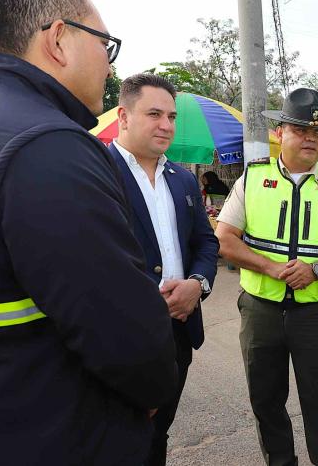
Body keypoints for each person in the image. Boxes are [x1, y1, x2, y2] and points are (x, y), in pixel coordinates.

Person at [0, 0, 178, 464]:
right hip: (46, 431)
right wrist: (154, 388)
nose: (109, 64)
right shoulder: (47, 144)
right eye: (105, 45)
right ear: (59, 39)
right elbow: (123, 331)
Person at [215, 87, 318, 466]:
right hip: (261, 311)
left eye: (317, 132)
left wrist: (316, 270)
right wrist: (270, 268)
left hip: (314, 315)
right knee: (265, 400)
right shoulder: (253, 179)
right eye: (300, 130)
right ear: (280, 132)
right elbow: (224, 239)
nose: (310, 139)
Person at [110, 73, 220, 466]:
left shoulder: (183, 180)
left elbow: (206, 243)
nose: (166, 125)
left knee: (159, 432)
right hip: (122, 333)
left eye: (171, 116)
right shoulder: (98, 172)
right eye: (154, 114)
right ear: (124, 116)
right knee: (120, 434)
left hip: (178, 330)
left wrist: (197, 284)